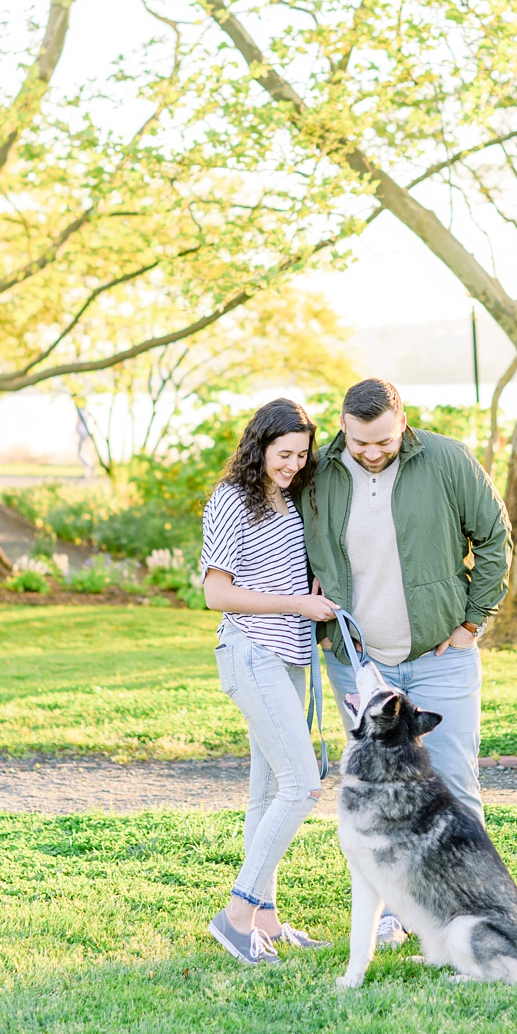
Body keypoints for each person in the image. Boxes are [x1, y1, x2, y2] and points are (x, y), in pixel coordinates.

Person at [304, 377, 509, 942]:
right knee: (379, 799)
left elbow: (494, 537)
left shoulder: (446, 460)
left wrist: (472, 623)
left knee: (456, 790)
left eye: (384, 442)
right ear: (342, 424)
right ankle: (400, 914)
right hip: (358, 665)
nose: (372, 453)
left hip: (439, 658)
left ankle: (478, 915)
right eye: (360, 442)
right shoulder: (317, 472)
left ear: (403, 422)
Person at [197, 397, 337, 963]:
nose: (294, 464)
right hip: (252, 654)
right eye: (284, 454)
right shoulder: (232, 499)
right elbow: (216, 593)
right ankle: (236, 916)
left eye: (302, 455)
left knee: (266, 794)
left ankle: (268, 922)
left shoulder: (285, 498)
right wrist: (298, 605)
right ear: (260, 447)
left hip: (288, 658)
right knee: (303, 785)